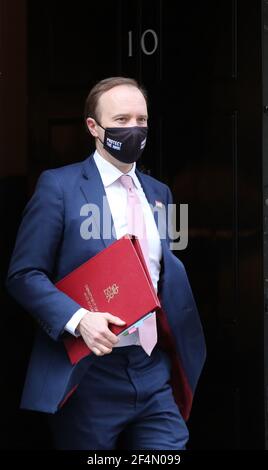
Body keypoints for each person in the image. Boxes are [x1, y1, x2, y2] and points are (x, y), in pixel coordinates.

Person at [6, 77, 206, 450]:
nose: (134, 129)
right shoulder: (59, 188)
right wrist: (79, 319)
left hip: (151, 368)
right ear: (93, 127)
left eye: (141, 120)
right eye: (122, 119)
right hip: (90, 374)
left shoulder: (160, 194)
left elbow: (164, 274)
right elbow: (23, 275)